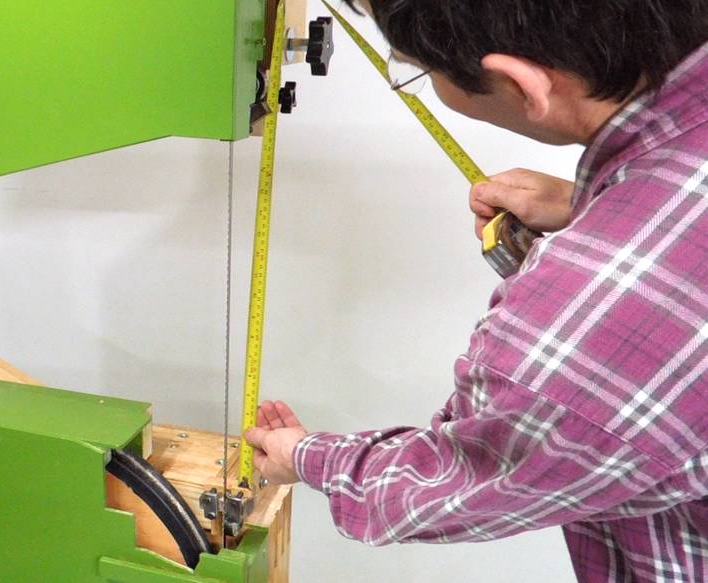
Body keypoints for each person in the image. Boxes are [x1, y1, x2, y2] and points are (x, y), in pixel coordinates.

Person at [244, 1, 708, 580]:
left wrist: (302, 455)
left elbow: (457, 473)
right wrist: (599, 204)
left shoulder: (570, 351)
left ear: (522, 84)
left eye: (414, 68)